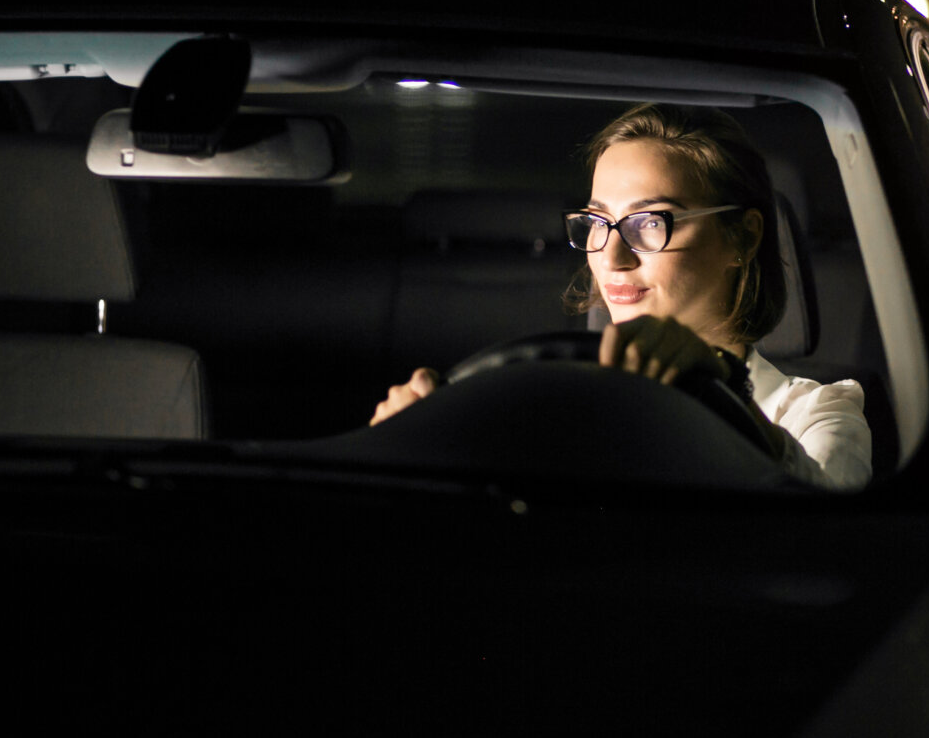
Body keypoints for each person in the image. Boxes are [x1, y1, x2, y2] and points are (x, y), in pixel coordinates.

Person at [371, 103, 872, 492]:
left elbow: (830, 516)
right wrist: (401, 443)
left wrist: (722, 392)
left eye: (650, 222)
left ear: (741, 238)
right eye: (597, 222)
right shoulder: (541, 399)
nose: (611, 258)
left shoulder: (816, 412)